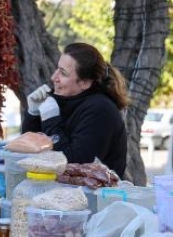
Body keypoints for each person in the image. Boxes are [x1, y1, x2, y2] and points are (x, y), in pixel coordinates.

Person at [22, 42, 129, 178]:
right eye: (57, 69)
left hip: (96, 196)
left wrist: (51, 120)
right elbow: (29, 148)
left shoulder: (101, 110)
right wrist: (33, 114)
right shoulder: (64, 100)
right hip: (60, 193)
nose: (54, 77)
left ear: (85, 83)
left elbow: (75, 164)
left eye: (63, 73)